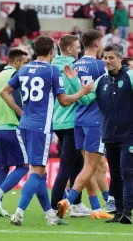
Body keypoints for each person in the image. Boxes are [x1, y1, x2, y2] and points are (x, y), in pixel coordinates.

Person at [0, 35, 93, 226]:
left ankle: (51, 215)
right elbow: (64, 101)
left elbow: (4, 92)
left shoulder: (24, 68)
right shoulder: (51, 71)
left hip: (25, 124)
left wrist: (20, 111)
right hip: (41, 126)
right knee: (37, 171)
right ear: (52, 51)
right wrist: (82, 92)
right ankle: (18, 213)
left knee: (41, 174)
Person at [65, 44, 133, 224]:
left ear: (120, 59)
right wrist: (73, 82)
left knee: (127, 173)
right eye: (105, 58)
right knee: (116, 174)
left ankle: (127, 211)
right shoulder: (101, 80)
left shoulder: (130, 76)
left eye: (111, 58)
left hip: (129, 135)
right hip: (109, 134)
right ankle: (118, 212)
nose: (108, 61)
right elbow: (86, 99)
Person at [57, 29, 113, 220]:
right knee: (92, 166)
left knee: (90, 166)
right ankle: (68, 200)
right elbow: (106, 93)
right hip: (96, 120)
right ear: (97, 43)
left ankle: (98, 207)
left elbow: (77, 97)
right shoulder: (101, 66)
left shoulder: (73, 65)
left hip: (78, 120)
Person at [50, 34, 92, 217]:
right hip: (71, 122)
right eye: (76, 47)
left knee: (77, 163)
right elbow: (83, 98)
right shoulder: (71, 67)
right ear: (68, 49)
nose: (79, 50)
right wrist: (90, 91)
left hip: (56, 121)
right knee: (66, 166)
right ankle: (53, 208)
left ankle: (76, 204)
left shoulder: (52, 67)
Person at [0, 48, 30, 217]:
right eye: (25, 63)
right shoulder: (15, 77)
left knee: (2, 167)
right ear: (17, 61)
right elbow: (18, 101)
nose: (26, 67)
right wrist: (23, 118)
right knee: (24, 165)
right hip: (11, 125)